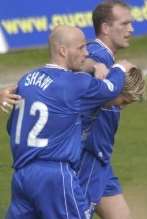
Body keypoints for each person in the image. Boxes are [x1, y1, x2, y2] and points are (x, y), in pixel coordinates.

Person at [5, 25, 132, 219]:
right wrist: (120, 68)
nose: (87, 52)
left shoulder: (26, 80)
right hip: (55, 176)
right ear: (62, 51)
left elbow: (11, 128)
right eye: (81, 48)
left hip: (22, 175)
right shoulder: (73, 83)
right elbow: (111, 88)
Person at [78, 1, 138, 219]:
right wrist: (92, 65)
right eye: (125, 24)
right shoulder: (98, 55)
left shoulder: (108, 58)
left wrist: (122, 99)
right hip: (87, 159)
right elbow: (79, 66)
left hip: (101, 159)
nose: (131, 29)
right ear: (105, 28)